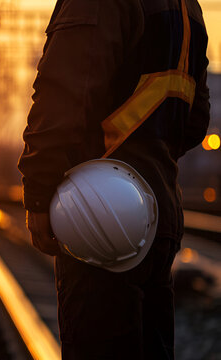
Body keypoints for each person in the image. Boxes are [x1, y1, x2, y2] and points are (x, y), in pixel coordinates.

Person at [18, 0, 210, 358]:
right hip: (159, 215)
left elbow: (63, 98)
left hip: (99, 214)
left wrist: (40, 195)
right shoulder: (189, 8)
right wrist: (150, 159)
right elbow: (195, 121)